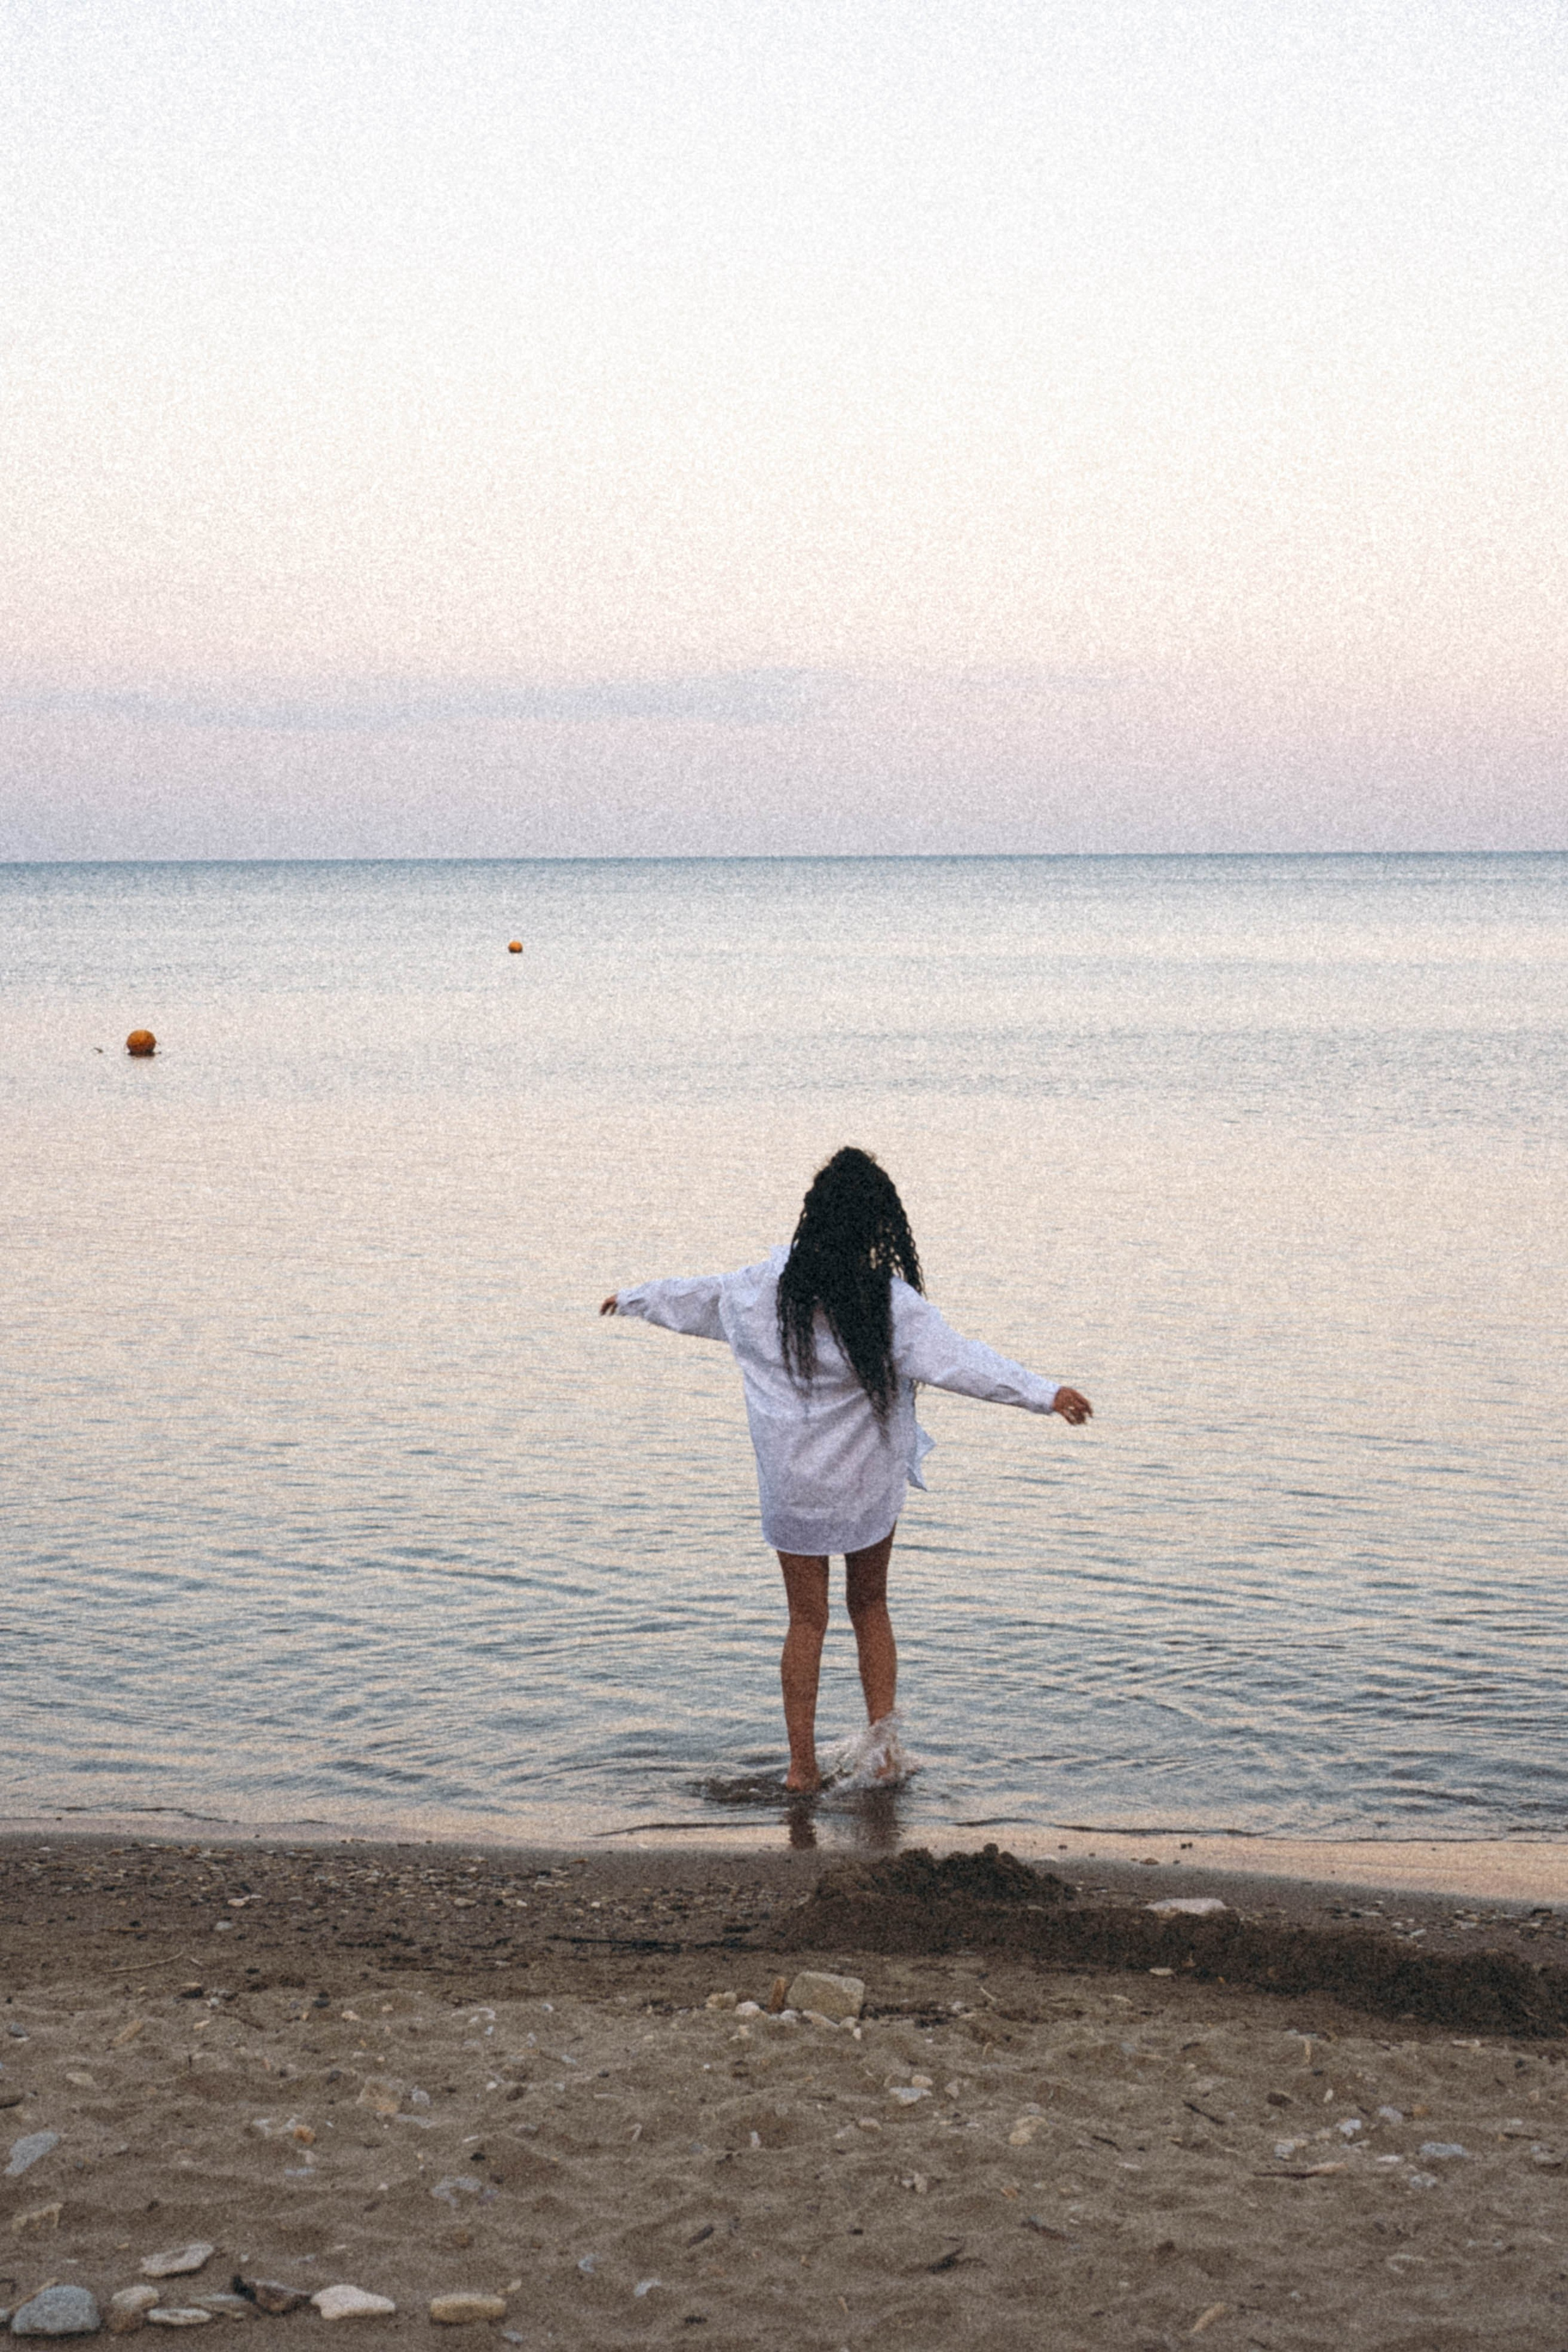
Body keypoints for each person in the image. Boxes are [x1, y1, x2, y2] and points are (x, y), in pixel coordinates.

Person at [600, 1146, 1091, 1793]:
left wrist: (632, 1299)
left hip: (793, 1488)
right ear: (875, 1227)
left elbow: (693, 1298)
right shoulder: (886, 1303)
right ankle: (883, 1757)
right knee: (870, 1605)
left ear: (812, 1218)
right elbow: (961, 1362)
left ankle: (801, 1768)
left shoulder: (758, 1289)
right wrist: (1044, 1393)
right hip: (863, 1483)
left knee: (806, 1620)